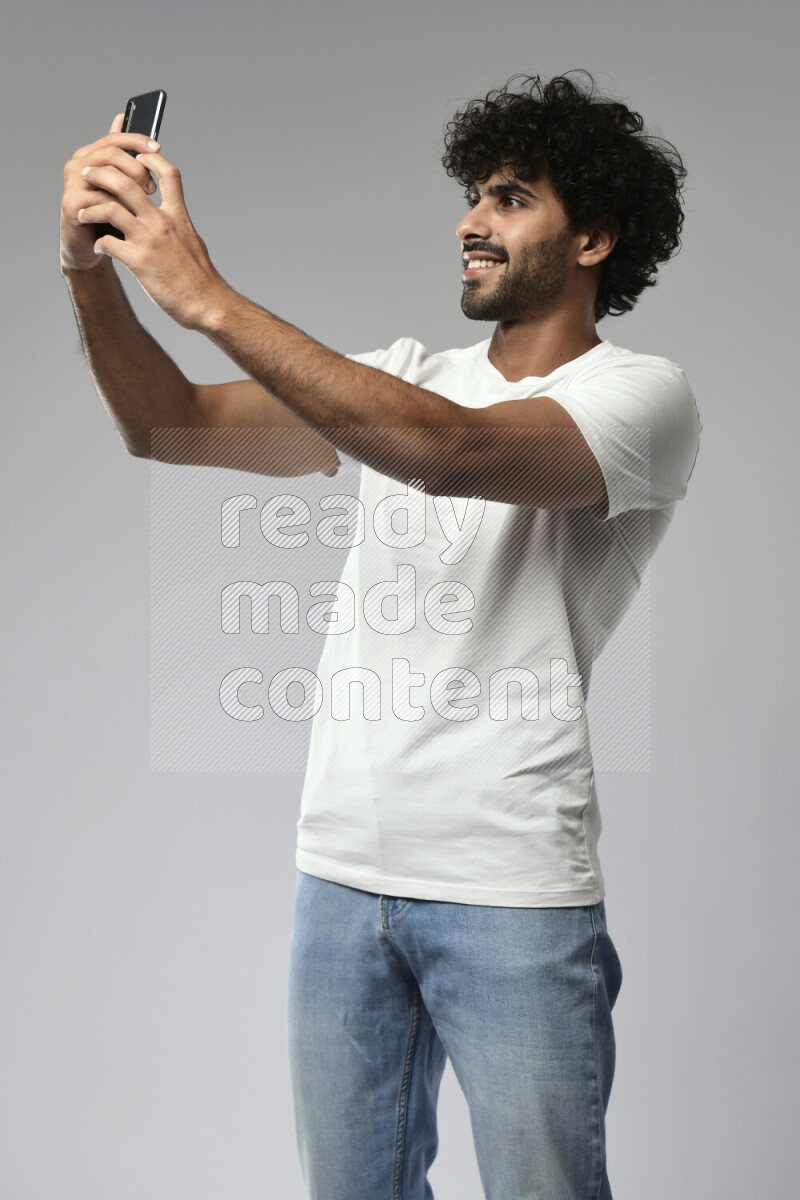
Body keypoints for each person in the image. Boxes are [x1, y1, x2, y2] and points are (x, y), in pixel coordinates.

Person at [60, 70, 701, 1200]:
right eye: (471, 195)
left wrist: (207, 295)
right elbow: (166, 425)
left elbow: (444, 452)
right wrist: (90, 269)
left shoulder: (640, 400)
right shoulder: (404, 377)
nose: (469, 219)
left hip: (508, 892)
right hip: (340, 881)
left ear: (593, 236)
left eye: (508, 198)